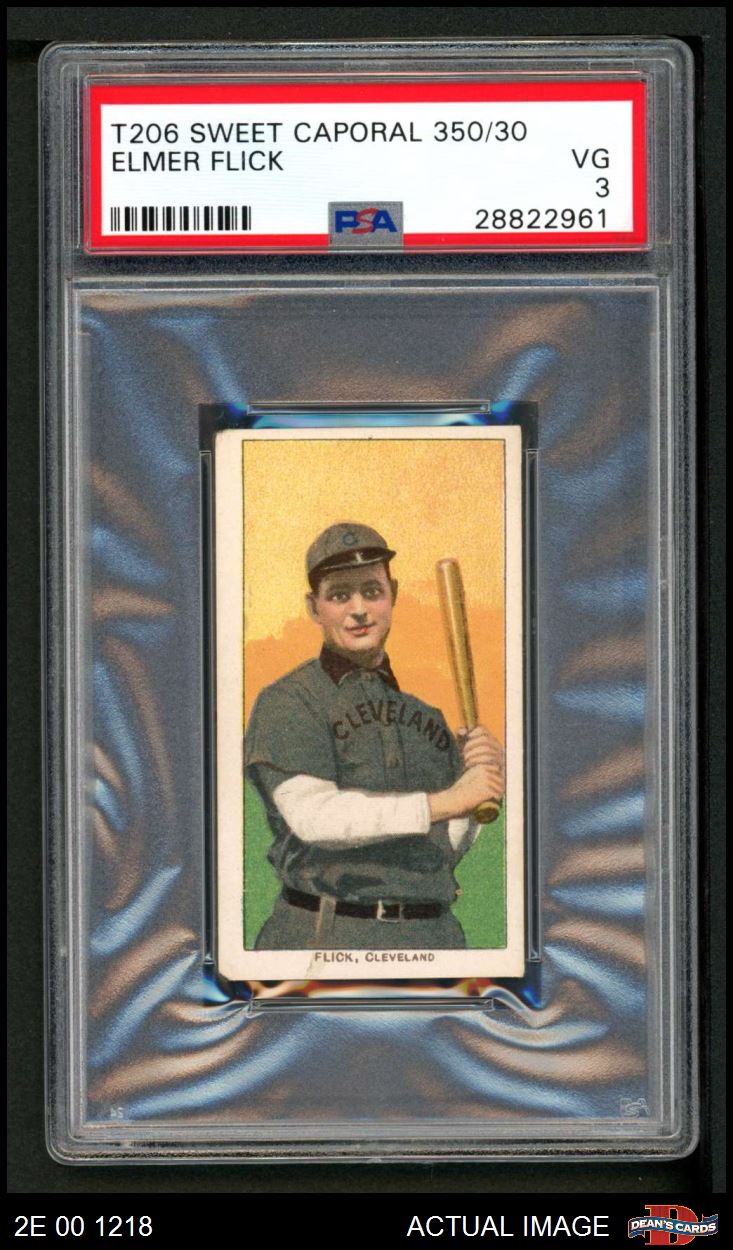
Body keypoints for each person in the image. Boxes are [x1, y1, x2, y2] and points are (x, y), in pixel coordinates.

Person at [245, 522, 504, 950]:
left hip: (432, 934)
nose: (359, 609)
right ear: (314, 607)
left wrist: (484, 779)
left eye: (372, 591)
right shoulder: (289, 701)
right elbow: (316, 819)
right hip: (325, 934)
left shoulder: (426, 717)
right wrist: (448, 801)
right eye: (339, 595)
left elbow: (444, 848)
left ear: (393, 595)